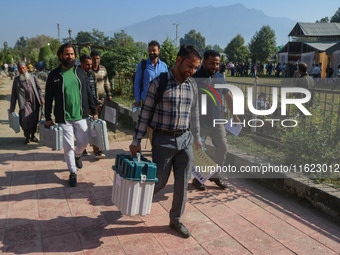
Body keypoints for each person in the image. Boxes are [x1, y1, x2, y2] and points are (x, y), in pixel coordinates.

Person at [129, 45, 202, 238]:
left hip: (185, 139)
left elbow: (194, 114)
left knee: (182, 182)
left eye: (195, 68)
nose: (191, 71)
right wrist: (137, 140)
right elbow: (145, 114)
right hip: (163, 140)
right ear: (178, 60)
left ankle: (175, 220)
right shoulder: (158, 83)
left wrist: (197, 138)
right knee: (160, 181)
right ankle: (138, 199)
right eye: (189, 66)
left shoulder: (191, 85)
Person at [45, 43, 98, 187]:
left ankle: (77, 156)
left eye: (72, 54)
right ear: (61, 56)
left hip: (80, 116)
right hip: (64, 118)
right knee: (68, 146)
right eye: (67, 54)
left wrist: (94, 112)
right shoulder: (54, 75)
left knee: (83, 142)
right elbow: (48, 98)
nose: (70, 57)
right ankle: (72, 172)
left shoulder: (80, 72)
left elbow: (88, 93)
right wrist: (48, 117)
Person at [191, 50, 241, 191]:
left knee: (223, 148)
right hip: (200, 122)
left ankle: (215, 175)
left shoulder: (219, 77)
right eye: (212, 63)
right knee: (199, 152)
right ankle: (198, 179)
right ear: (204, 62)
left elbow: (228, 96)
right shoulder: (195, 77)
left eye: (217, 63)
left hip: (217, 121)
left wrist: (235, 115)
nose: (215, 66)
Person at [84, 50, 112, 157]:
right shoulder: (87, 70)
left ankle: (97, 149)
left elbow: (106, 82)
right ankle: (86, 147)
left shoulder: (103, 69)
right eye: (94, 58)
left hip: (101, 101)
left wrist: (108, 94)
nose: (96, 60)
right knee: (89, 125)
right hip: (89, 102)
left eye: (98, 58)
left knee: (98, 125)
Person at [10, 62, 44, 144]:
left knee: (34, 120)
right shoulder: (16, 80)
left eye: (23, 68)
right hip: (24, 103)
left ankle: (33, 136)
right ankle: (27, 136)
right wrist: (12, 107)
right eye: (20, 69)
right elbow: (14, 94)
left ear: (26, 68)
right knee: (25, 119)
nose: (22, 70)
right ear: (18, 70)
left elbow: (39, 89)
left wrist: (42, 98)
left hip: (34, 102)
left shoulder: (33, 77)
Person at [80, 54, 105, 159]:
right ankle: (82, 149)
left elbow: (93, 91)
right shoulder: (78, 76)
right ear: (81, 64)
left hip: (93, 105)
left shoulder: (92, 75)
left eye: (90, 64)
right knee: (82, 129)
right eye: (87, 64)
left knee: (95, 128)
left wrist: (97, 104)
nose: (89, 67)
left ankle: (97, 150)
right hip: (81, 107)